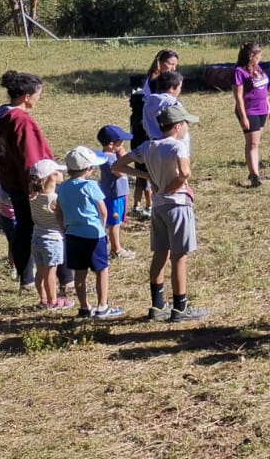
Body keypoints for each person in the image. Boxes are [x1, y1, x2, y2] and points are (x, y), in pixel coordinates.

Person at [117, 101, 207, 322]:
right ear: (177, 126)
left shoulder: (148, 146)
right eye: (185, 123)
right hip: (178, 205)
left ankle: (157, 306)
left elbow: (117, 166)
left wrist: (149, 179)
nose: (187, 127)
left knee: (160, 254)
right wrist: (175, 185)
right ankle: (180, 308)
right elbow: (185, 172)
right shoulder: (177, 146)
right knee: (179, 258)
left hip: (158, 206)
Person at [0, 70, 55, 291]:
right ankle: (56, 281)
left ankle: (25, 278)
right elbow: (31, 157)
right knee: (42, 228)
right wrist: (37, 184)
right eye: (38, 94)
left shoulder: (0, 114)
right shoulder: (22, 121)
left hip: (10, 180)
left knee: (22, 228)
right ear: (26, 96)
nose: (39, 98)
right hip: (27, 184)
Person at [58, 146, 121, 319]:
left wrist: (64, 229)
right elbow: (103, 210)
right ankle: (102, 306)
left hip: (72, 234)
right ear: (88, 168)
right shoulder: (91, 185)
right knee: (101, 270)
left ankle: (84, 307)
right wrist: (102, 228)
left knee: (80, 272)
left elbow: (58, 211)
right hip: (94, 234)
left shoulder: (62, 188)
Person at [130, 49, 179, 218]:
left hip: (155, 129)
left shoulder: (163, 80)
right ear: (160, 62)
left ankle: (147, 203)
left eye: (175, 65)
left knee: (151, 167)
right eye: (170, 64)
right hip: (146, 130)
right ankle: (148, 204)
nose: (173, 68)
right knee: (148, 167)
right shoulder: (153, 80)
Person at [28, 158, 68, 309]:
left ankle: (43, 299)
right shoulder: (55, 199)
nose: (60, 173)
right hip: (53, 240)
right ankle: (53, 301)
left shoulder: (33, 196)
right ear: (51, 177)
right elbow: (61, 219)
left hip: (36, 237)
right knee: (51, 273)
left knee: (40, 271)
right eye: (57, 172)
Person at [233, 41, 270, 187]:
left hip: (261, 109)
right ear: (251, 56)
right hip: (249, 111)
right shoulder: (239, 71)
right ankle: (254, 175)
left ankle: (254, 170)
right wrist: (243, 116)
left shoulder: (257, 68)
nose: (260, 58)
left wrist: (268, 106)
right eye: (258, 55)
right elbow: (238, 96)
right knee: (252, 143)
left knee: (256, 142)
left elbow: (264, 87)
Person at [96, 124, 132, 259]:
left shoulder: (111, 156)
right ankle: (116, 249)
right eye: (120, 142)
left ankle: (116, 247)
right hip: (113, 196)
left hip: (119, 194)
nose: (123, 145)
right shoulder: (108, 158)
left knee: (117, 222)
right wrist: (123, 156)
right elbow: (121, 172)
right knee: (114, 223)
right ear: (111, 144)